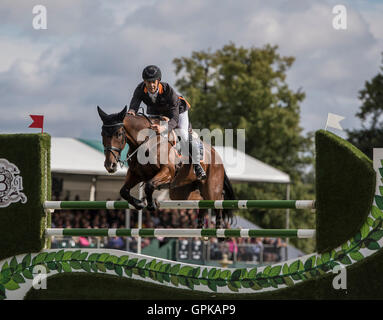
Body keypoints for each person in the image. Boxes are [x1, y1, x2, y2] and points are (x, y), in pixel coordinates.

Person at [127, 65, 206, 180]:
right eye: (148, 82)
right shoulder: (140, 89)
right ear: (144, 82)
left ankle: (197, 165)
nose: (151, 85)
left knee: (183, 134)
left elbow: (174, 119)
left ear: (158, 81)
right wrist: (131, 112)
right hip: (157, 112)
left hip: (178, 112)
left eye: (153, 82)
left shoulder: (168, 90)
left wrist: (164, 128)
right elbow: (134, 105)